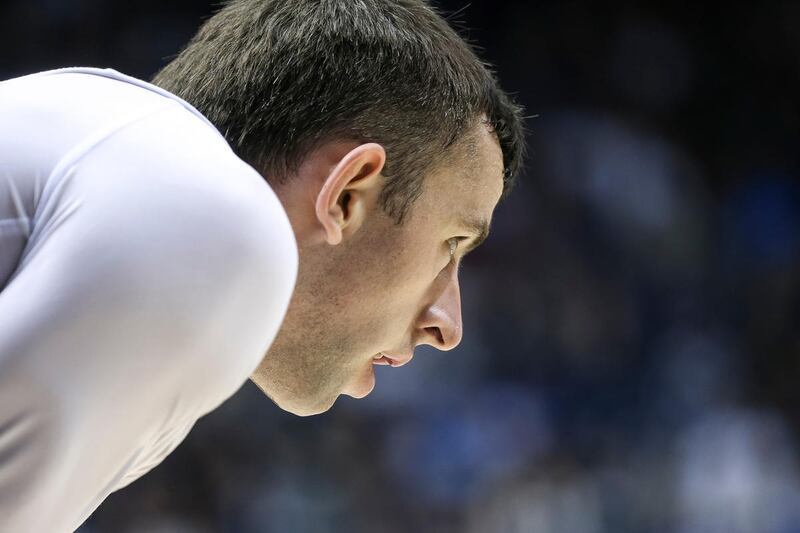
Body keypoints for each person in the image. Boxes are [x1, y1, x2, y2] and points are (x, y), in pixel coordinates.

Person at [0, 0, 524, 530]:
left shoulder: (98, 127)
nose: (448, 325)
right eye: (452, 243)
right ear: (347, 194)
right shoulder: (210, 221)